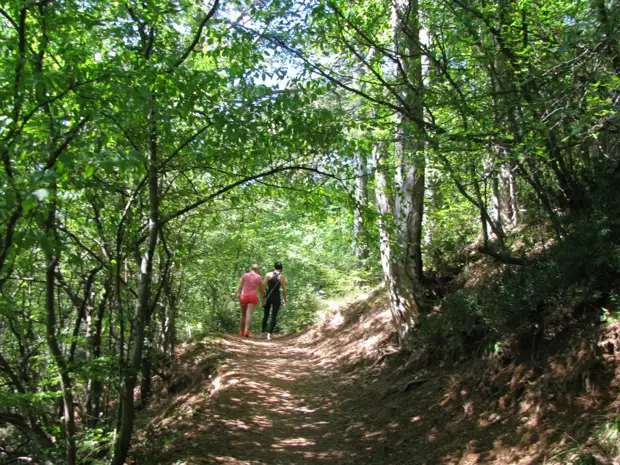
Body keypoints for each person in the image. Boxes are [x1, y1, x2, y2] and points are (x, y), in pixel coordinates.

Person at [233, 264, 264, 337]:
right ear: (257, 270)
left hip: (244, 296)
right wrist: (263, 297)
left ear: (251, 268)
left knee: (243, 315)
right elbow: (262, 290)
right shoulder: (258, 277)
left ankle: (241, 331)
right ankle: (247, 331)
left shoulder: (244, 275)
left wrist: (234, 296)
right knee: (249, 313)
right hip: (253, 297)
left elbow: (239, 287)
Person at [261, 262, 287, 340]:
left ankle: (262, 333)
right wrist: (284, 299)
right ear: (281, 269)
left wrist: (263, 294)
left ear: (274, 267)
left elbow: (262, 284)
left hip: (268, 296)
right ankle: (269, 334)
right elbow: (284, 290)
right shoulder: (282, 277)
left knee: (266, 314)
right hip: (276, 297)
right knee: (274, 316)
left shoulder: (268, 274)